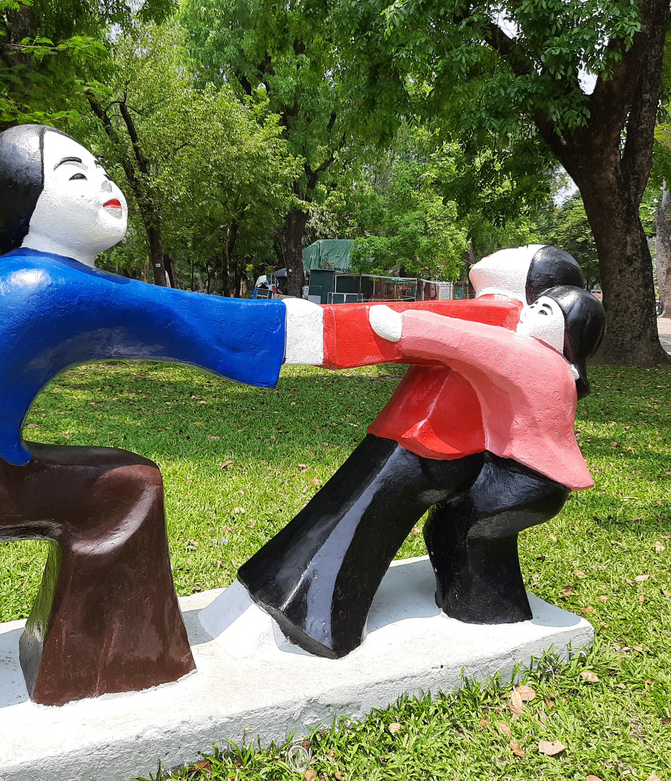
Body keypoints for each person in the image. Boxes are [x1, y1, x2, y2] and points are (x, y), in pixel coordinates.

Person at [0, 124, 319, 705]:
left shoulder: (12, 273)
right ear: (28, 206)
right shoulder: (48, 282)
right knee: (128, 490)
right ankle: (111, 667)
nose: (103, 183)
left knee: (116, 481)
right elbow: (195, 322)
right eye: (75, 174)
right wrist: (332, 331)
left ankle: (75, 656)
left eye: (101, 169)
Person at [238, 247, 602, 659]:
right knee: (456, 529)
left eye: (522, 251)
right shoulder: (535, 342)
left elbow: (459, 339)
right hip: (478, 459)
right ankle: (485, 603)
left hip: (433, 447)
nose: (507, 250)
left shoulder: (505, 317)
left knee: (359, 517)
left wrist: (324, 328)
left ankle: (313, 615)